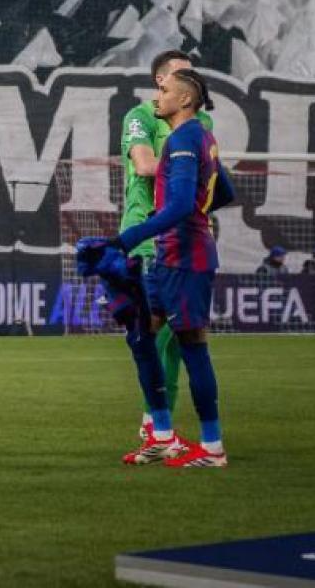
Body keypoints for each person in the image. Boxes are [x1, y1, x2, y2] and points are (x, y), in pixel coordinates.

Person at [84, 68, 237, 468]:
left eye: (165, 90)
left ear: (185, 99)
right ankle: (162, 435)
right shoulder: (198, 137)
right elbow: (224, 191)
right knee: (141, 335)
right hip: (168, 253)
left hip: (187, 257)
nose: (158, 96)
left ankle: (213, 447)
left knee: (192, 345)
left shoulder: (185, 138)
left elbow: (185, 205)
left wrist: (128, 238)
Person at [119, 49, 208, 450]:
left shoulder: (199, 122)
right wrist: (184, 166)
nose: (188, 79)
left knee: (174, 334)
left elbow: (213, 183)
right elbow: (143, 165)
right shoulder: (139, 117)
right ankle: (158, 425)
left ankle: (159, 427)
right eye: (180, 74)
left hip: (181, 237)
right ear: (161, 81)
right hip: (145, 235)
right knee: (155, 335)